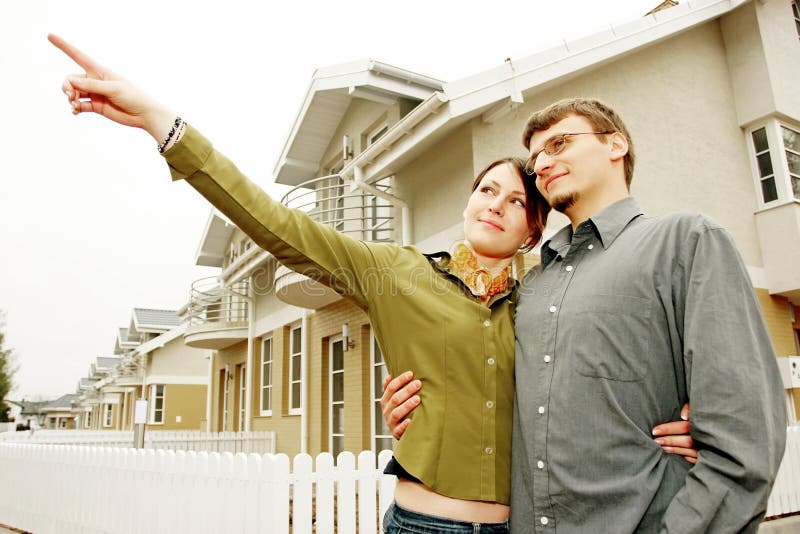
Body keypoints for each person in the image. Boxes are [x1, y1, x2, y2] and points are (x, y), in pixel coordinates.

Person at [49, 36, 696, 533]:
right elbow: (276, 223)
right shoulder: (397, 274)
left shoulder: (549, 303)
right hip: (423, 523)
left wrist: (682, 416)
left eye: (518, 199)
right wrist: (163, 123)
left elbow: (605, 383)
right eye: (486, 189)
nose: (496, 202)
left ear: (533, 230)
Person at [385, 98, 787, 533]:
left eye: (559, 144)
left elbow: (742, 443)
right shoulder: (532, 288)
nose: (541, 164)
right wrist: (417, 408)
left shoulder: (685, 242)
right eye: (537, 156)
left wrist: (708, 432)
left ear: (616, 145)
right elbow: (486, 387)